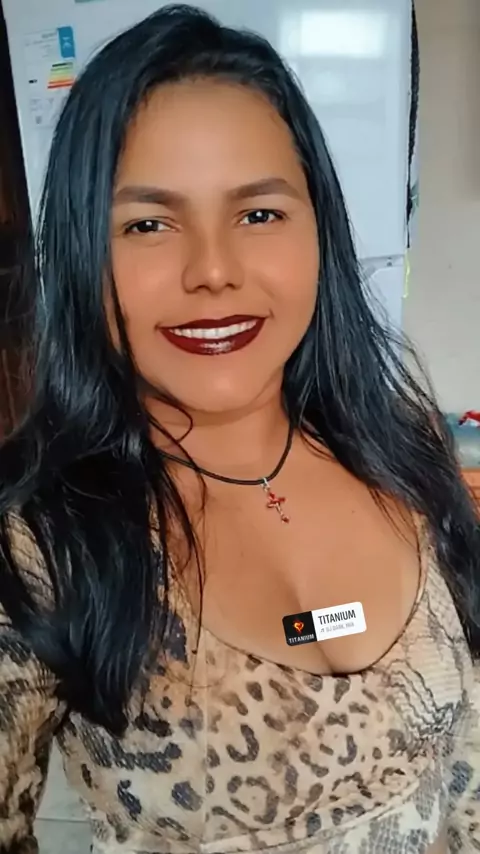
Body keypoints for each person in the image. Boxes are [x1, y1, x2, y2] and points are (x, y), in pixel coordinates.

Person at [0, 5, 479, 853]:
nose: (213, 270)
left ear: (319, 229)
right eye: (148, 224)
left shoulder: (402, 449)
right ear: (81, 254)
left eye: (259, 214)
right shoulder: (40, 544)